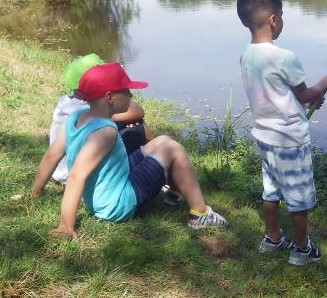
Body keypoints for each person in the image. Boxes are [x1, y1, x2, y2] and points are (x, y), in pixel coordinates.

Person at [32, 62, 227, 237]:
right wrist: (66, 225)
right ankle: (200, 214)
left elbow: (51, 156)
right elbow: (76, 176)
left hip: (103, 193)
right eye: (126, 91)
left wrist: (36, 191)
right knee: (173, 148)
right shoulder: (105, 131)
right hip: (116, 205)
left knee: (162, 141)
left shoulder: (76, 116)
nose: (131, 95)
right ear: (109, 97)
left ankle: (175, 193)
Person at [237, 0, 327, 265]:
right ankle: (302, 249)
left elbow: (276, 96)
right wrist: (323, 85)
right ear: (273, 19)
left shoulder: (246, 55)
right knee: (298, 195)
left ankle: (272, 238)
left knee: (271, 190)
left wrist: (305, 105)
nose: (282, 21)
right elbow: (304, 93)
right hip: (290, 140)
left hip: (265, 136)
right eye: (281, 15)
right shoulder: (285, 57)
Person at [49, 53, 154, 185]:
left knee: (127, 125)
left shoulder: (67, 101)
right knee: (139, 127)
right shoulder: (85, 108)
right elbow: (137, 112)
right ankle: (154, 163)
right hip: (75, 173)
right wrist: (121, 91)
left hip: (64, 169)